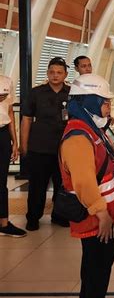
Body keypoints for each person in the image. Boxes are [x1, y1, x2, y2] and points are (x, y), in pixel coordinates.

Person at [60, 73, 114, 298]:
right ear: (89, 101)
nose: (108, 108)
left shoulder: (89, 127)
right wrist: (102, 214)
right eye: (105, 103)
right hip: (94, 216)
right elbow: (84, 181)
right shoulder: (78, 136)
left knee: (96, 262)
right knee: (98, 263)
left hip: (99, 214)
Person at [20, 57, 71, 230]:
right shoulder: (36, 93)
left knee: (62, 185)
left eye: (59, 72)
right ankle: (33, 217)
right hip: (39, 146)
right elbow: (26, 119)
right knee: (37, 186)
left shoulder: (72, 94)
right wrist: (23, 145)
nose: (55, 75)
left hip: (64, 149)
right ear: (47, 73)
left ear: (65, 74)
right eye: (51, 72)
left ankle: (59, 215)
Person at [0, 76, 26, 237]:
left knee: (2, 181)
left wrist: (14, 142)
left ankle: (3, 222)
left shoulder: (6, 81)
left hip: (2, 133)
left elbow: (9, 111)